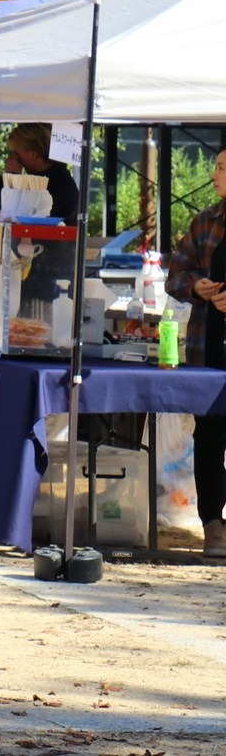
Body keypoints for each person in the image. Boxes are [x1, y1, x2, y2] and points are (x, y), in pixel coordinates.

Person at [165, 149, 226, 559]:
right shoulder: (206, 220)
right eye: (217, 165)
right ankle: (213, 525)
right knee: (208, 437)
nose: (215, 173)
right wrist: (197, 287)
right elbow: (176, 273)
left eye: (222, 167)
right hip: (209, 347)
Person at [6, 122, 79, 224]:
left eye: (17, 154)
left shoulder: (59, 186)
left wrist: (12, 177)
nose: (14, 158)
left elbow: (16, 215)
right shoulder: (52, 180)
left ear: (33, 154)